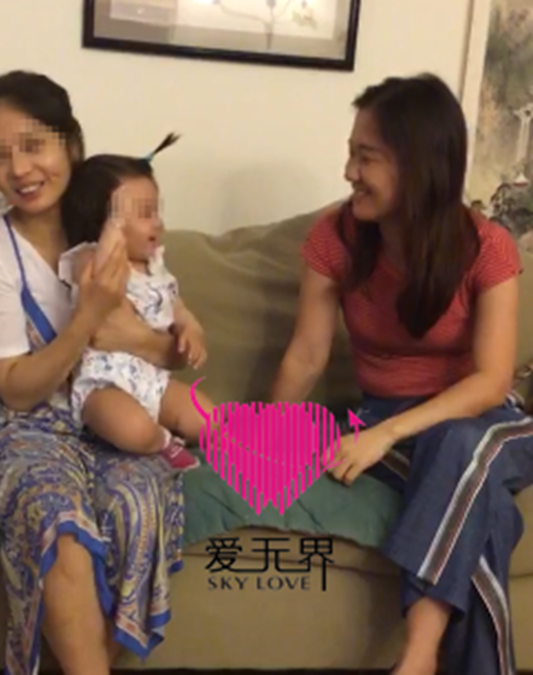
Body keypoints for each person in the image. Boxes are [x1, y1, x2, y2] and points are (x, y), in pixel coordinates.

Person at [269, 73, 533, 675]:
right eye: (350, 154)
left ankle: (417, 656)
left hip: (491, 424)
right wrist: (262, 435)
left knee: (458, 444)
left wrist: (384, 434)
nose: (348, 172)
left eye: (366, 157)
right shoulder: (336, 238)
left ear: (418, 165)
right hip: (391, 423)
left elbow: (491, 381)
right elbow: (306, 356)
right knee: (486, 514)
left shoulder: (486, 247)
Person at [0, 70, 189, 675]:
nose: (19, 169)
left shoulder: (114, 231)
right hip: (23, 421)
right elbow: (14, 388)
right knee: (58, 523)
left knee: (138, 503)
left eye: (34, 145)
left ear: (72, 144)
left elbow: (163, 345)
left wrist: (155, 338)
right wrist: (87, 320)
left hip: (109, 410)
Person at [57, 142, 215, 471]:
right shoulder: (89, 258)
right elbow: (100, 277)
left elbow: (176, 305)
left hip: (153, 379)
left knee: (207, 419)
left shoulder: (156, 267)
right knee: (134, 429)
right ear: (103, 223)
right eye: (145, 213)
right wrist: (109, 231)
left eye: (157, 211)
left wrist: (190, 328)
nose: (158, 223)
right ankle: (161, 441)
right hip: (104, 385)